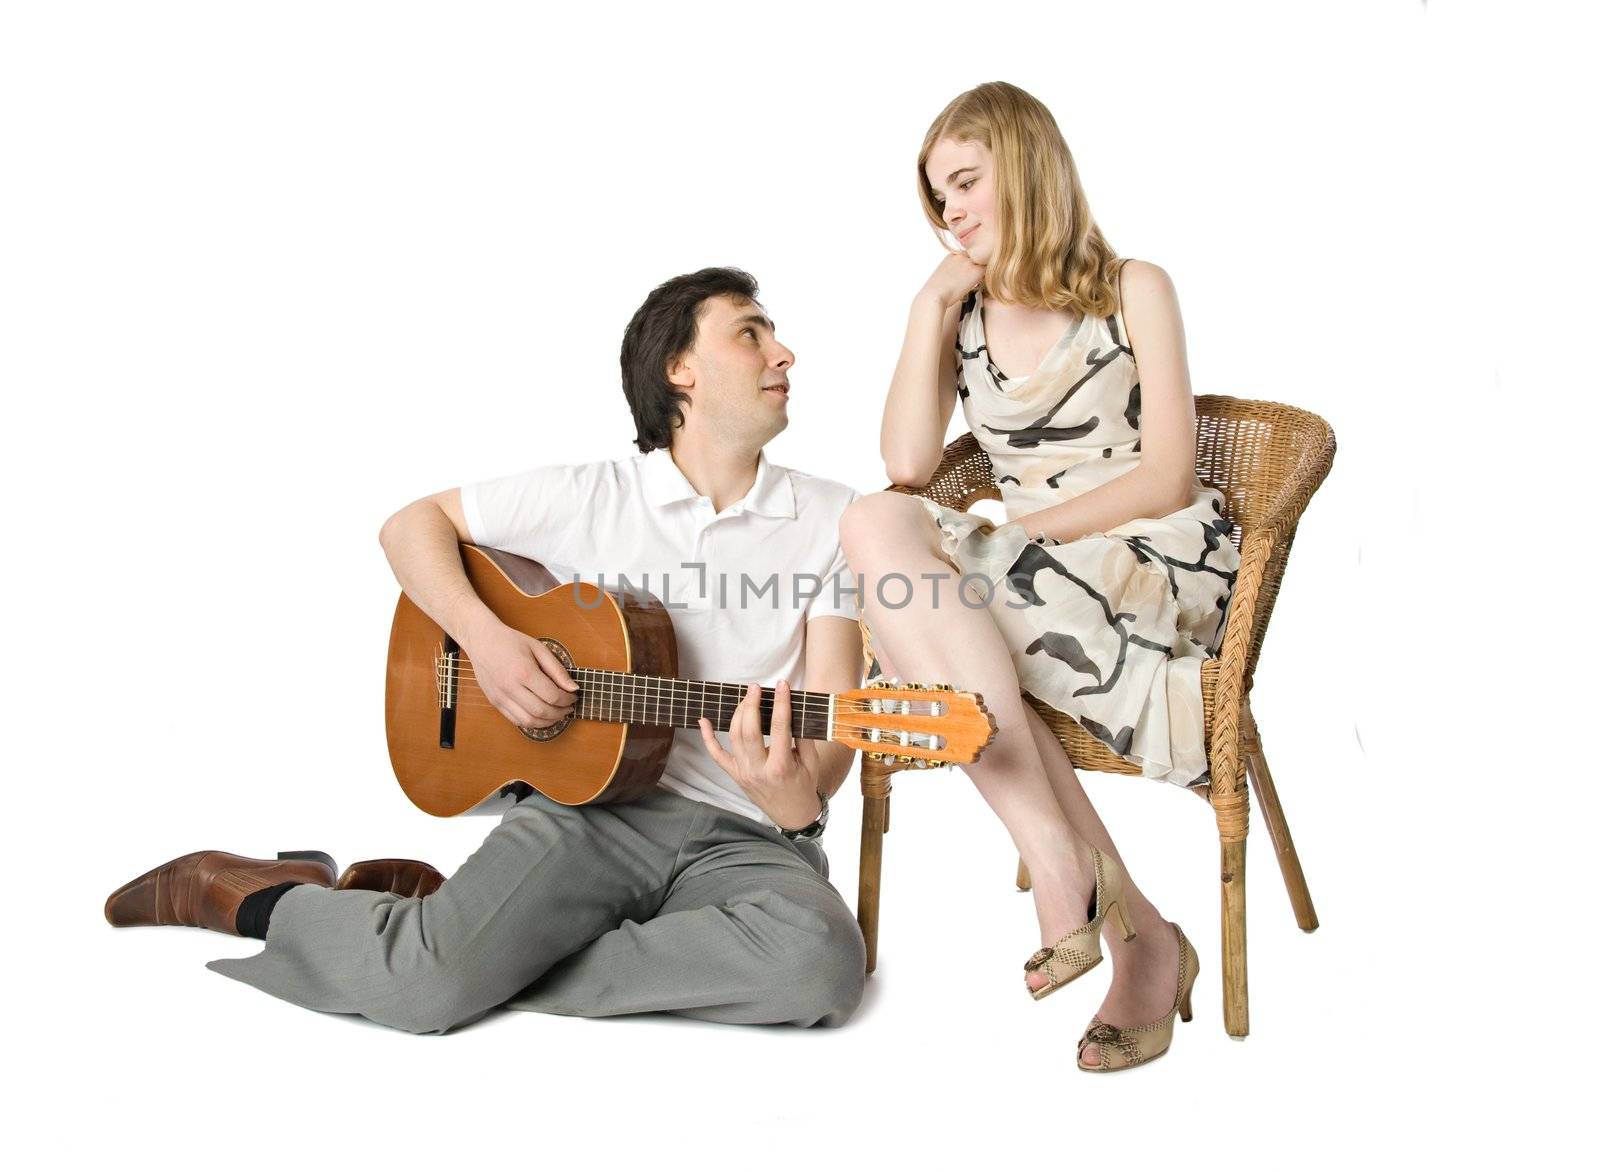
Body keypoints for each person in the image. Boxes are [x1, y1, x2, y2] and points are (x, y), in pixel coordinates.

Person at [105, 267, 869, 1035]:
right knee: (423, 991)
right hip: (594, 813)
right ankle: (258, 895)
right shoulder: (592, 495)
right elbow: (411, 526)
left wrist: (801, 808)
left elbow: (838, 715)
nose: (784, 354)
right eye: (751, 332)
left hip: (745, 839)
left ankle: (471, 939)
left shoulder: (837, 520)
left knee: (816, 963)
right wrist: (489, 640)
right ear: (681, 370)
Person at [840, 82, 1237, 1071]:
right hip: (1022, 577)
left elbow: (1167, 472)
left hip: (1142, 558)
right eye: (937, 198)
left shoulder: (1133, 286)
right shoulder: (962, 312)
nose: (951, 213)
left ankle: (1116, 919)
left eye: (966, 182)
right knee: (873, 523)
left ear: (1023, 165)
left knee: (932, 620)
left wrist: (1015, 534)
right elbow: (902, 464)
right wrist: (928, 304)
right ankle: (1103, 895)